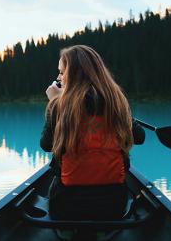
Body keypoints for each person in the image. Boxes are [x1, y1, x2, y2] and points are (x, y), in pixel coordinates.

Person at [40, 45, 145, 221]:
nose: (58, 78)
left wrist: (56, 103)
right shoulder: (116, 102)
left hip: (66, 205)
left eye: (62, 72)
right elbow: (140, 137)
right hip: (113, 206)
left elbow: (46, 145)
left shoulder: (59, 106)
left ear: (74, 75)